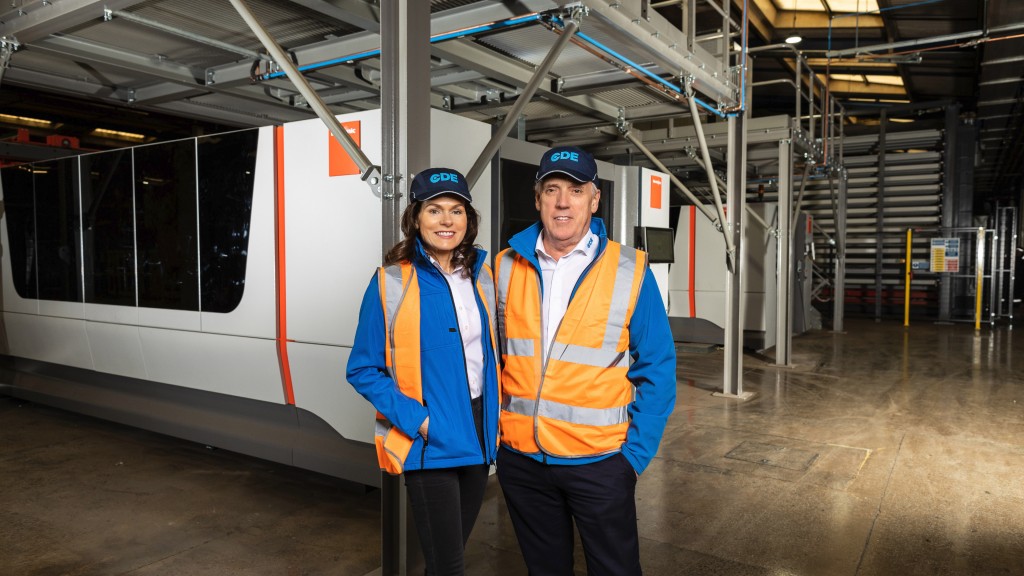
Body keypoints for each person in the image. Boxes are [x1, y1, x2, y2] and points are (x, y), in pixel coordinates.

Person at [494, 146, 677, 576]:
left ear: (594, 200)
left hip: (600, 463)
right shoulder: (503, 266)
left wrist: (632, 458)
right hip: (522, 461)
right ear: (537, 198)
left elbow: (659, 366)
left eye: (575, 190)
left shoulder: (630, 269)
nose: (563, 202)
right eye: (552, 189)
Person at [346, 167, 499, 576]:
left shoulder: (482, 277)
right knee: (448, 566)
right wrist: (421, 421)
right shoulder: (390, 282)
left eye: (456, 211)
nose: (446, 221)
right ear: (415, 218)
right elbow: (362, 368)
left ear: (469, 220)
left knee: (448, 561)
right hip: (430, 443)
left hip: (478, 434)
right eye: (434, 210)